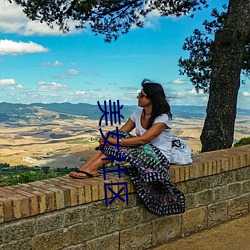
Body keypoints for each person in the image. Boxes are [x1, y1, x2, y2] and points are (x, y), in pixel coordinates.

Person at [69, 79, 185, 215]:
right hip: (142, 151)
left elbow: (143, 140)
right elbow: (122, 132)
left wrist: (112, 141)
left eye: (142, 95)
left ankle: (92, 168)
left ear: (152, 98)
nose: (138, 97)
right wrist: (108, 139)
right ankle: (87, 167)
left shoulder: (162, 117)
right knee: (116, 136)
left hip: (158, 158)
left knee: (115, 142)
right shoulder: (137, 114)